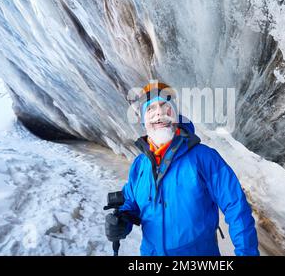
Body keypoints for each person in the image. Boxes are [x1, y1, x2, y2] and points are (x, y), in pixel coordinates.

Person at [105, 81, 259, 256]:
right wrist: (120, 223)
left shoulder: (204, 158)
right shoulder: (140, 165)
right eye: (150, 109)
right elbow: (131, 204)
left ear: (176, 115)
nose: (159, 114)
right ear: (143, 120)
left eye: (165, 106)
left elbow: (236, 207)